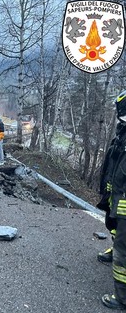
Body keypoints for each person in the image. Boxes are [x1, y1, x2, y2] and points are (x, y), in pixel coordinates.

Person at [99, 90, 126, 310]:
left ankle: (122, 297)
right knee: (114, 228)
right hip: (116, 197)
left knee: (123, 253)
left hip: (124, 203)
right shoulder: (122, 133)